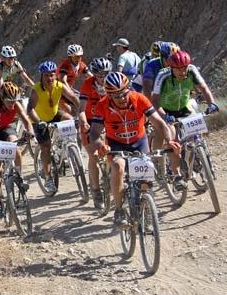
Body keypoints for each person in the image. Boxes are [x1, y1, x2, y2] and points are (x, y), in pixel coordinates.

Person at [87, 72, 181, 226]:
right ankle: (119, 210)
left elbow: (159, 123)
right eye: (116, 96)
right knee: (118, 167)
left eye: (124, 94)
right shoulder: (102, 105)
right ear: (109, 95)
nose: (122, 99)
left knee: (144, 179)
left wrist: (170, 140)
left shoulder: (139, 99)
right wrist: (101, 146)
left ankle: (146, 207)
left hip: (139, 141)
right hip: (116, 144)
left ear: (128, 89)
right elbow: (94, 133)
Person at [151, 51, 219, 190]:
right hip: (166, 110)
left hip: (184, 106)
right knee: (174, 141)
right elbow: (155, 101)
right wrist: (164, 115)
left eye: (184, 67)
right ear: (171, 68)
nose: (182, 71)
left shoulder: (192, 70)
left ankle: (199, 157)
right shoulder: (163, 75)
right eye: (179, 68)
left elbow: (204, 88)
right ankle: (176, 175)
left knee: (196, 133)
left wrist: (211, 103)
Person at [0, 82, 34, 218]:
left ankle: (19, 177)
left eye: (14, 100)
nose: (12, 104)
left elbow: (26, 120)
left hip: (5, 129)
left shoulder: (17, 105)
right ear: (2, 98)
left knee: (16, 150)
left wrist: (29, 132)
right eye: (9, 101)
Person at [27, 61, 80, 193]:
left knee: (70, 119)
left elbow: (73, 97)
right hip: (39, 119)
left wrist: (81, 112)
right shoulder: (36, 89)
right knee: (46, 147)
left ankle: (69, 149)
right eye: (46, 76)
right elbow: (30, 110)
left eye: (52, 75)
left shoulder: (59, 85)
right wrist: (38, 122)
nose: (50, 78)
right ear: (41, 76)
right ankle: (48, 177)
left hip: (54, 114)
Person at [77, 57, 112, 209]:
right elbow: (81, 109)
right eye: (99, 75)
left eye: (105, 74)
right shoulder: (87, 84)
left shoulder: (113, 82)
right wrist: (84, 123)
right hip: (90, 122)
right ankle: (96, 191)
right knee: (95, 155)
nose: (102, 78)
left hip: (108, 120)